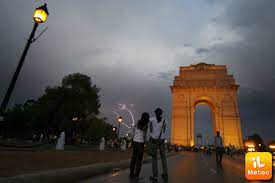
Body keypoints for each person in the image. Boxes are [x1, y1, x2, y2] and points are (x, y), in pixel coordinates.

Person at [149, 108, 168, 181]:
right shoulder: (164, 121)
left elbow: (150, 130)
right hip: (161, 140)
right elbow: (164, 130)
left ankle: (155, 175)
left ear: (155, 113)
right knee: (163, 157)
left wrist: (154, 133)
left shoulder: (151, 119)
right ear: (161, 113)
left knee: (154, 158)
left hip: (154, 140)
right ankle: (165, 174)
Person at [130, 112, 150, 179]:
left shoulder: (137, 122)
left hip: (135, 142)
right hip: (141, 143)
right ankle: (137, 175)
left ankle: (131, 173)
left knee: (134, 158)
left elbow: (133, 131)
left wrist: (133, 139)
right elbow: (144, 135)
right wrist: (146, 142)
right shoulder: (146, 125)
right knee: (139, 160)